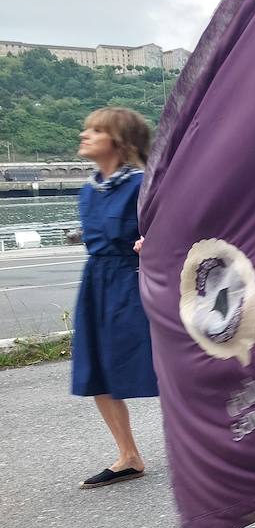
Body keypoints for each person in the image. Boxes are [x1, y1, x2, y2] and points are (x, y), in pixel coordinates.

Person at [71, 109, 158, 488]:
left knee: (167, 365)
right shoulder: (90, 189)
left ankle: (220, 443)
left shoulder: (144, 185)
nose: (85, 134)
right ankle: (129, 456)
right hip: (97, 283)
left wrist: (154, 241)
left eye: (96, 130)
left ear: (119, 142)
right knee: (98, 371)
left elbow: (181, 227)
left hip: (136, 280)